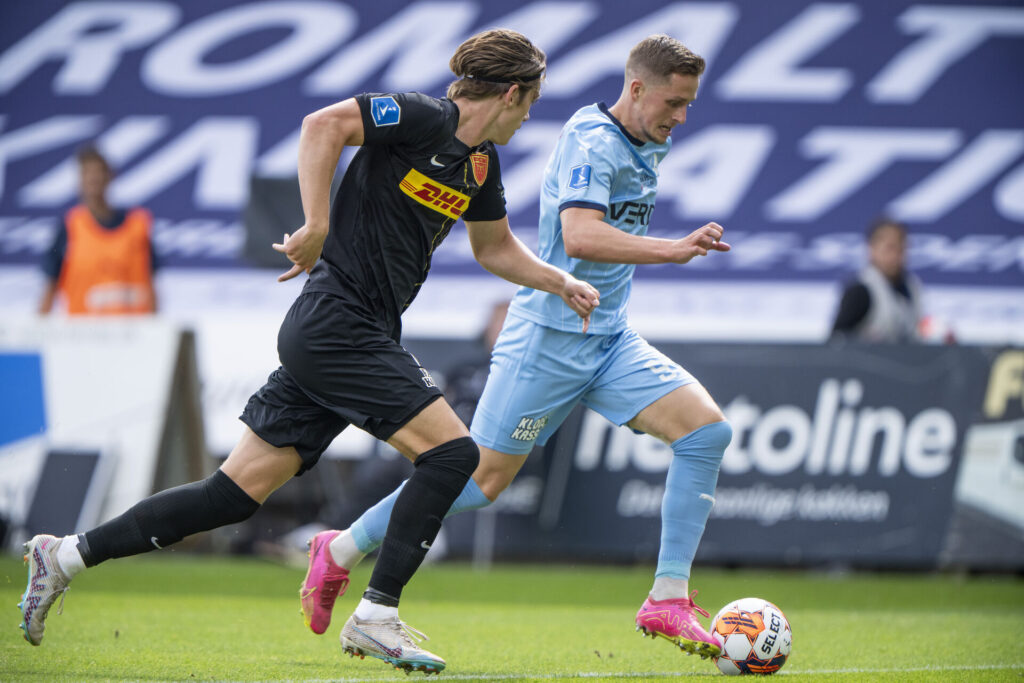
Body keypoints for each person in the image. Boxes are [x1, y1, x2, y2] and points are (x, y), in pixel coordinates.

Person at [19, 28, 599, 675]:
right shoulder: (422, 116)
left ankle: (64, 555)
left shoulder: (480, 162)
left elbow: (494, 248)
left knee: (231, 494)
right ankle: (377, 613)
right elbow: (322, 124)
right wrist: (317, 221)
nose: (527, 121)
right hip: (335, 324)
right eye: (530, 106)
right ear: (514, 92)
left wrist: (561, 279)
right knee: (454, 452)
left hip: (350, 333)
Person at [298, 34, 733, 661]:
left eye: (689, 104)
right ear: (636, 89)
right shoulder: (592, 141)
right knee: (479, 480)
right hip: (547, 342)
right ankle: (337, 548)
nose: (682, 116)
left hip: (607, 337)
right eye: (674, 102)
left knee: (705, 434)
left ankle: (667, 597)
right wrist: (674, 248)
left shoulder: (646, 141)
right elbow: (579, 236)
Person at [38, 144, 157, 315]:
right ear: (79, 180)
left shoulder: (138, 225)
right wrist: (37, 330)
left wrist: (155, 331)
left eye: (98, 172)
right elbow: (50, 283)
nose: (94, 179)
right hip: (85, 333)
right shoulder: (69, 226)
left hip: (132, 332)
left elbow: (151, 282)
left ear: (110, 176)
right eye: (87, 173)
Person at [830, 218, 923, 343]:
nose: (896, 256)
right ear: (872, 249)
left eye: (901, 249)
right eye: (890, 248)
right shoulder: (861, 292)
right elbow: (836, 343)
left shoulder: (911, 288)